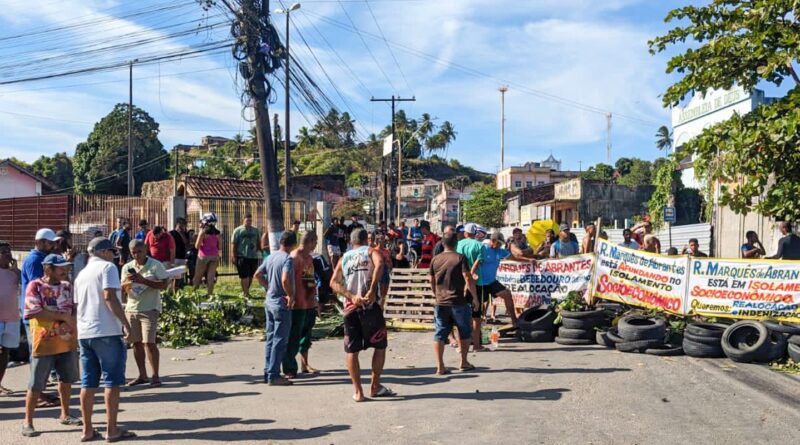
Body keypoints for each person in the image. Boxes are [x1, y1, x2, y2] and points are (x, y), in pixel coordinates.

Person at [74, 238, 135, 442]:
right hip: (106, 331)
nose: (113, 254)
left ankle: (88, 429)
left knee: (88, 382)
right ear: (104, 252)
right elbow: (109, 296)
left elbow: (79, 305)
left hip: (85, 332)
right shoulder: (108, 268)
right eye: (112, 251)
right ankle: (111, 429)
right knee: (112, 381)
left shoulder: (81, 274)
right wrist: (125, 323)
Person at [330, 228, 394, 402]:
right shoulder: (371, 251)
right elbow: (380, 264)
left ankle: (358, 392)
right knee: (380, 346)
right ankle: (375, 385)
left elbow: (333, 282)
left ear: (351, 241)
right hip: (370, 306)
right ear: (366, 240)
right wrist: (373, 290)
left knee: (352, 350)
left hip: (351, 307)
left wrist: (351, 296)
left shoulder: (345, 258)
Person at [22, 254, 82, 437]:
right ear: (48, 269)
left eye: (66, 267)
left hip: (66, 341)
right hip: (44, 342)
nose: (66, 270)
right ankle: (27, 421)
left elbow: (73, 308)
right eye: (61, 268)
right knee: (37, 383)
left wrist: (69, 319)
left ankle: (65, 414)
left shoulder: (67, 287)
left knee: (66, 379)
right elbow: (36, 313)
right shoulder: (36, 286)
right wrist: (63, 317)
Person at [429, 232, 479, 375]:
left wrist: (436, 294)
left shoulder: (435, 259)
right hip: (459, 301)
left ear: (443, 244)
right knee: (464, 332)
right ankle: (463, 362)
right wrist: (474, 297)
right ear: (456, 243)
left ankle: (440, 366)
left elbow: (431, 280)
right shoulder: (460, 257)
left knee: (439, 334)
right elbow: (467, 278)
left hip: (441, 302)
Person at [20, 229, 59, 407]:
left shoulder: (40, 258)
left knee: (42, 353)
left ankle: (39, 391)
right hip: (36, 314)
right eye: (50, 243)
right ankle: (36, 395)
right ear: (41, 242)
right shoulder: (35, 260)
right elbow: (40, 287)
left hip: (41, 313)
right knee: (37, 354)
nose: (53, 245)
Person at [121, 239, 168, 388]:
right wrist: (127, 283)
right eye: (133, 252)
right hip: (132, 308)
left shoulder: (155, 265)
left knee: (149, 342)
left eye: (139, 251)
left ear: (146, 250)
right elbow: (122, 288)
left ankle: (155, 376)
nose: (136, 255)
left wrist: (144, 281)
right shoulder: (127, 267)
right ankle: (142, 375)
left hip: (149, 309)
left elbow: (164, 284)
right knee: (136, 343)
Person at [255, 231, 297, 386]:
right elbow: (285, 279)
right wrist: (291, 295)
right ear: (293, 244)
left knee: (271, 338)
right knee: (280, 340)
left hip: (270, 301)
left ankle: (268, 372)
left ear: (281, 241)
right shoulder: (287, 259)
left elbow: (258, 274)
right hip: (281, 303)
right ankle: (274, 375)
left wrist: (268, 287)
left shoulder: (271, 257)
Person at [283, 232, 319, 379]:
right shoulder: (293, 257)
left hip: (308, 303)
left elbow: (309, 278)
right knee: (293, 338)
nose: (316, 245)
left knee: (306, 336)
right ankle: (289, 368)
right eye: (315, 242)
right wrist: (291, 296)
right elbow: (286, 280)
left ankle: (304, 364)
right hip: (296, 304)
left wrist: (314, 299)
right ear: (310, 241)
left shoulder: (309, 258)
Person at [482, 232, 531, 324]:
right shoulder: (483, 249)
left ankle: (514, 321)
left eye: (501, 243)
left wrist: (529, 260)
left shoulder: (500, 251)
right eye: (499, 243)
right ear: (493, 241)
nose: (500, 245)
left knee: (507, 294)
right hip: (481, 283)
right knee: (481, 305)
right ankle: (478, 324)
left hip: (492, 282)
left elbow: (514, 258)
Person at [456, 223, 486, 351]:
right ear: (475, 234)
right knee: (476, 316)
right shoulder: (480, 245)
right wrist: (472, 273)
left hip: (460, 282)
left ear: (465, 233)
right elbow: (478, 261)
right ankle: (477, 345)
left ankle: (460, 346)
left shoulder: (459, 244)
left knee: (460, 315)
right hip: (476, 283)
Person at [0, 240, 21, 396]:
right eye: (4, 252)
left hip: (12, 318)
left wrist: (16, 272)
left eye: (9, 252)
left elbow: (24, 288)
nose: (9, 255)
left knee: (5, 352)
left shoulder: (15, 273)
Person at [231, 215, 262, 298]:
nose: (249, 222)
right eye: (247, 220)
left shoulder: (255, 230)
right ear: (243, 220)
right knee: (244, 275)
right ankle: (245, 293)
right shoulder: (238, 230)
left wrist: (261, 252)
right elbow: (234, 244)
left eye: (250, 220)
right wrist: (233, 256)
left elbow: (259, 242)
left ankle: (247, 290)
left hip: (253, 256)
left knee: (251, 275)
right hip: (242, 255)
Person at [193, 221, 221, 296]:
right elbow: (220, 247)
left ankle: (194, 293)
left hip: (203, 256)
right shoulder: (217, 233)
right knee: (211, 276)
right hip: (214, 256)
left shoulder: (203, 232)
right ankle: (210, 294)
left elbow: (197, 246)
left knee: (198, 275)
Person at [369, 231, 393, 299]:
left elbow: (391, 264)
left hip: (386, 271)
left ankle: (382, 306)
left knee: (385, 292)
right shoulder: (374, 251)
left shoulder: (386, 250)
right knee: (380, 291)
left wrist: (389, 263)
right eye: (382, 239)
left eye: (384, 239)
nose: (384, 240)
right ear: (378, 240)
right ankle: (379, 306)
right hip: (379, 272)